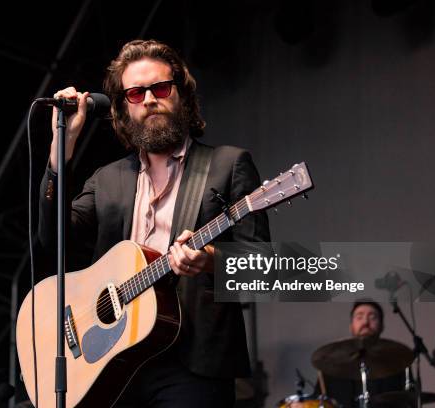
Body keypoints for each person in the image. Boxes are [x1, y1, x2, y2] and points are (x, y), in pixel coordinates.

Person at [38, 39, 270, 407]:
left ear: (182, 95)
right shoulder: (108, 178)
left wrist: (210, 259)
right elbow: (51, 239)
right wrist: (61, 147)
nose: (149, 100)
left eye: (160, 88)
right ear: (123, 107)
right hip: (113, 362)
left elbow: (262, 267)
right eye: (135, 93)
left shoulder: (228, 165)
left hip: (193, 362)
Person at [316, 300, 407, 408]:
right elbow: (317, 402)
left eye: (372, 317)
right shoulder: (330, 367)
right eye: (359, 317)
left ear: (382, 326)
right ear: (351, 326)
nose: (365, 322)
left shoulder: (398, 364)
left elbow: (410, 400)